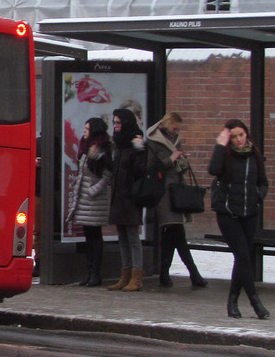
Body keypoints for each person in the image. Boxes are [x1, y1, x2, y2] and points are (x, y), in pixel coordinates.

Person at [208, 119, 270, 320]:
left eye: (241, 135)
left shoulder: (255, 155)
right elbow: (213, 170)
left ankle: (232, 301)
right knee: (243, 256)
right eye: (233, 137)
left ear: (247, 134)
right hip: (228, 213)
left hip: (249, 213)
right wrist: (220, 145)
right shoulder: (225, 156)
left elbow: (263, 182)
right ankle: (255, 301)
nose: (238, 140)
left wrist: (258, 196)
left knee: (243, 258)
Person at [145, 111, 207, 288]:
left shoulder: (175, 140)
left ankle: (165, 275)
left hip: (176, 192)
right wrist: (170, 159)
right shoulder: (153, 141)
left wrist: (182, 161)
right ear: (165, 124)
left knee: (172, 236)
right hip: (163, 193)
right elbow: (150, 168)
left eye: (178, 129)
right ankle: (193, 275)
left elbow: (179, 169)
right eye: (174, 128)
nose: (176, 132)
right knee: (176, 233)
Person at [67, 117, 112, 286]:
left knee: (95, 236)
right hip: (84, 199)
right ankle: (88, 272)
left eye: (87, 129)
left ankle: (95, 273)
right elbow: (82, 172)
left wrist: (93, 190)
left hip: (95, 200)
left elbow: (107, 175)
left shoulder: (103, 149)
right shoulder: (85, 147)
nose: (84, 131)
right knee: (89, 237)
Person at [107, 107, 147, 292]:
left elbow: (140, 170)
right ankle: (125, 274)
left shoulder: (135, 143)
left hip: (130, 197)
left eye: (118, 122)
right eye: (114, 122)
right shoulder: (119, 144)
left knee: (132, 236)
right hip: (118, 196)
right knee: (121, 236)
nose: (115, 126)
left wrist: (140, 150)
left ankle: (137, 276)